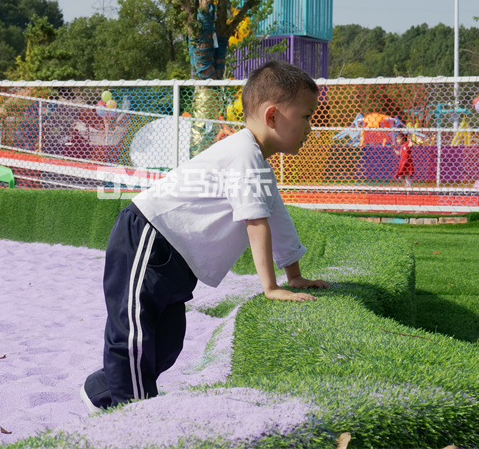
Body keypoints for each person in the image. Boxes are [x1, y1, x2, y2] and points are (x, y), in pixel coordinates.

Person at [80, 61, 329, 413]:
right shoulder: (244, 154)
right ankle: (135, 421)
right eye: (305, 117)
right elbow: (256, 222)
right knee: (133, 338)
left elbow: (277, 218)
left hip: (179, 262)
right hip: (149, 238)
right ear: (273, 116)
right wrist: (271, 287)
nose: (310, 127)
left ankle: (98, 391)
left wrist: (294, 275)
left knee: (165, 345)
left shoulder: (258, 162)